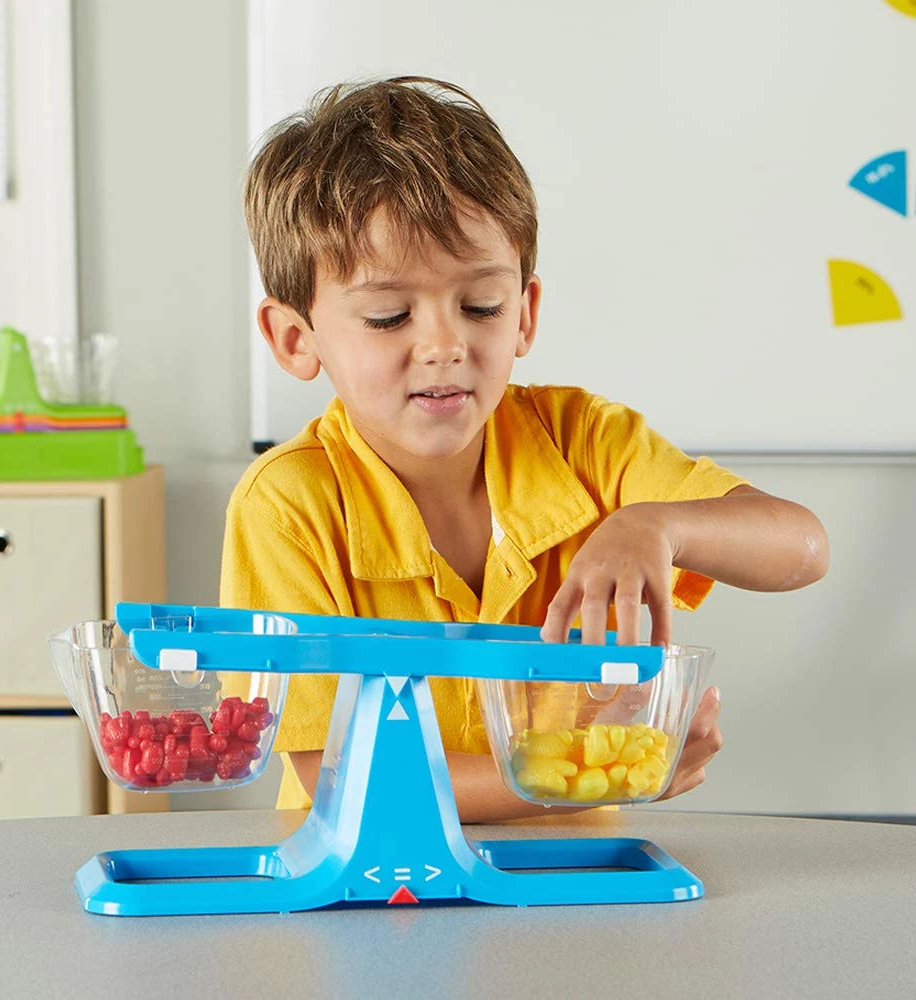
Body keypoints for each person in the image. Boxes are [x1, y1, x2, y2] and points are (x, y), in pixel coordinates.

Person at [220, 76, 828, 823]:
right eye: (388, 316)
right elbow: (337, 773)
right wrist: (589, 771)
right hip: (369, 886)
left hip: (573, 881)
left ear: (525, 313)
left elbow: (803, 546)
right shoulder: (287, 505)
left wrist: (659, 525)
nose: (444, 344)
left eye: (482, 306)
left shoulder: (586, 442)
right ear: (295, 338)